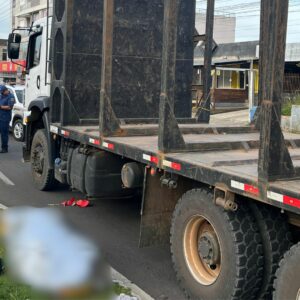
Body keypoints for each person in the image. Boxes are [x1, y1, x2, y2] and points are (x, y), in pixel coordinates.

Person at [0, 85, 15, 153]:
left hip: (5, 118)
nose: (1, 93)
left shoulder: (11, 96)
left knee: (4, 134)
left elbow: (9, 107)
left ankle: (4, 148)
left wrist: (1, 107)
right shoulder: (1, 95)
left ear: (6, 90)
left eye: (2, 92)